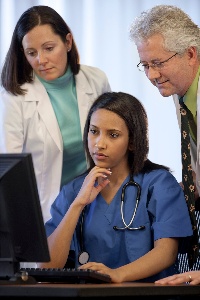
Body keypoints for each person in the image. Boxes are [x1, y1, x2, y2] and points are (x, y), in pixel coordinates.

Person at [38, 91, 193, 283]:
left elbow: (167, 253)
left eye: (113, 135)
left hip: (148, 297)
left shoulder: (159, 184)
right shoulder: (74, 191)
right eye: (94, 131)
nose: (99, 144)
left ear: (133, 142)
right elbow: (47, 266)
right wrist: (78, 204)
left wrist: (116, 274)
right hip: (91, 298)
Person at [0, 5, 111, 223]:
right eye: (31, 53)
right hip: (42, 214)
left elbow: (115, 139)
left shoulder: (96, 80)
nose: (41, 60)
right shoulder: (14, 97)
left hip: (95, 204)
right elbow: (8, 171)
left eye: (49, 48)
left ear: (67, 42)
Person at [129, 4, 200, 283]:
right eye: (145, 65)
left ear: (191, 54)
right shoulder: (180, 87)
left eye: (158, 63)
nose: (151, 75)